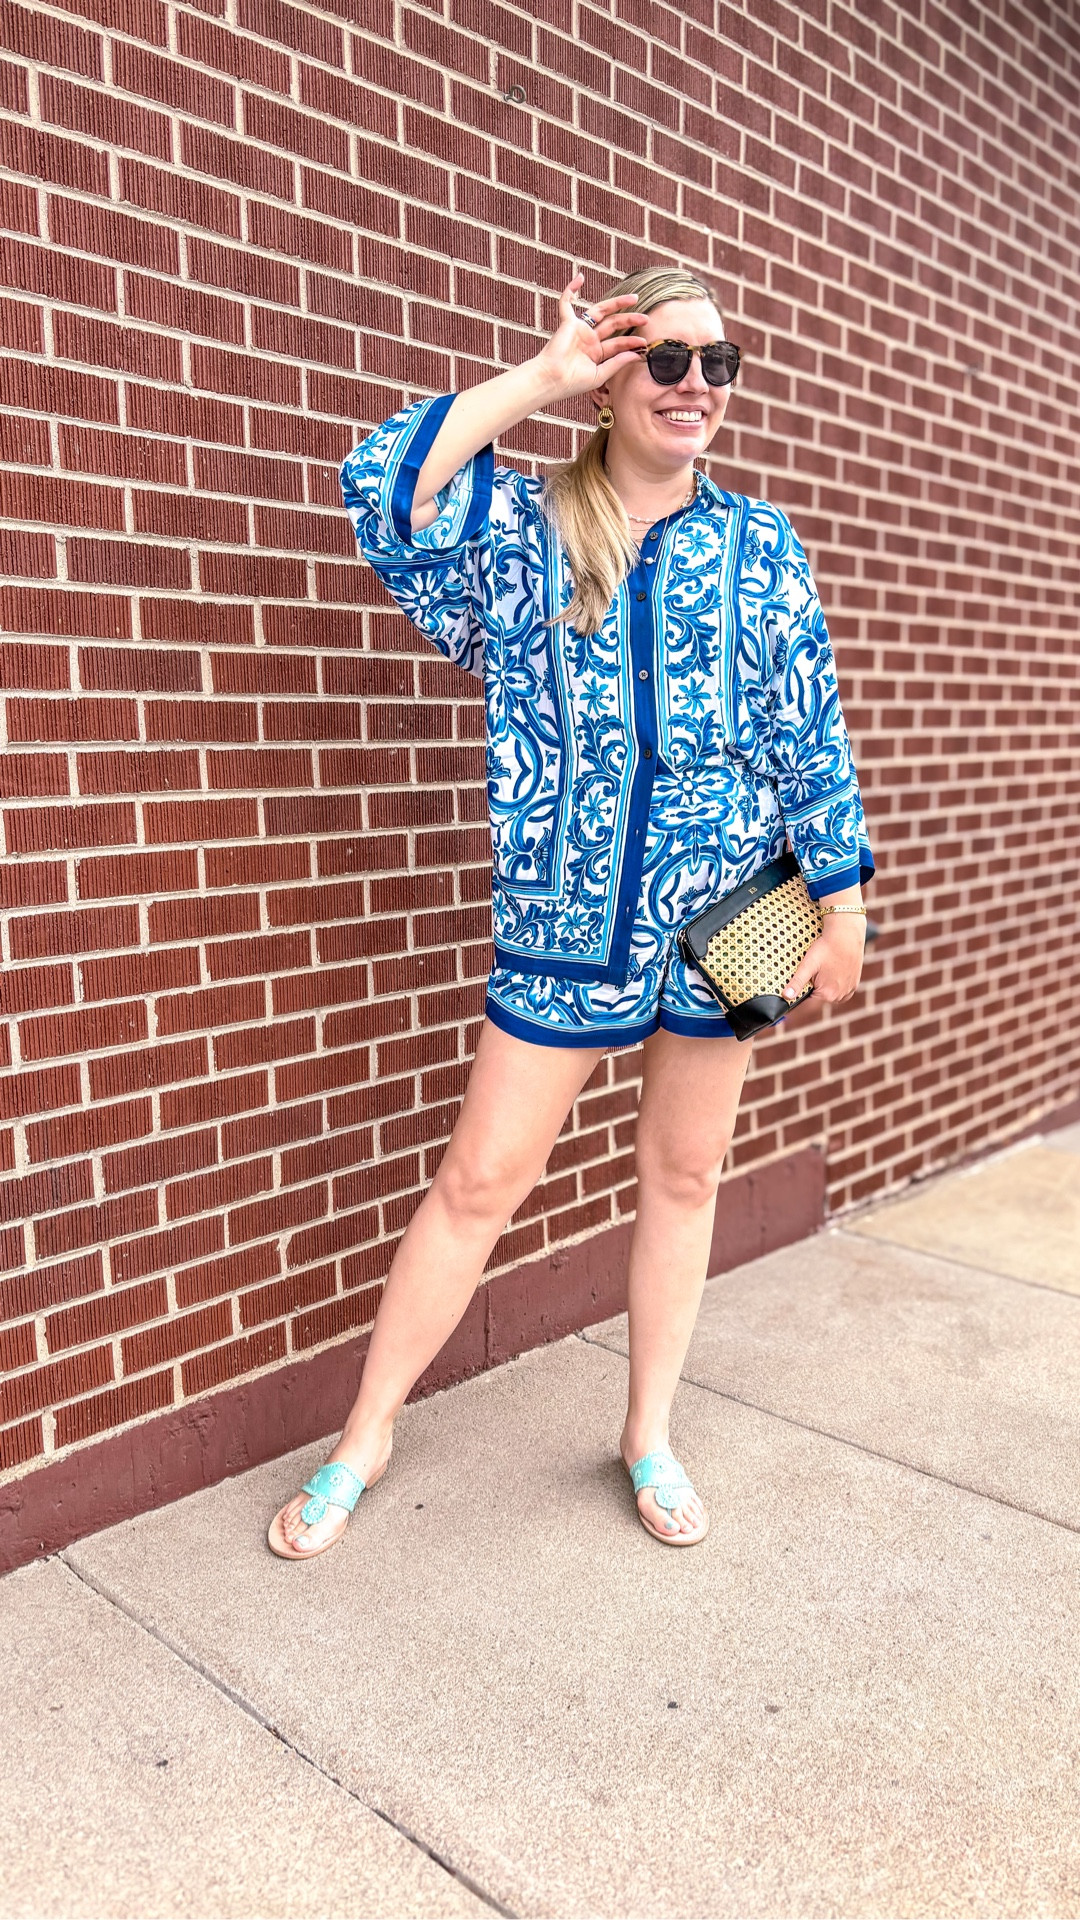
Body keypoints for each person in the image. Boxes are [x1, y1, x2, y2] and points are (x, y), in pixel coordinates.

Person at [268, 264, 873, 1559]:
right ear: (617, 376)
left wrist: (843, 905)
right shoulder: (523, 535)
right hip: (564, 913)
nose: (697, 385)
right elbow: (381, 485)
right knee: (479, 1181)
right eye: (666, 360)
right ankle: (365, 1434)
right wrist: (539, 380)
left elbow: (811, 734)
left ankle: (648, 1432)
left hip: (739, 906)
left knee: (686, 1172)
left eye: (722, 362)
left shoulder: (762, 549)